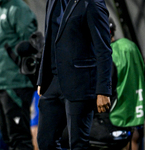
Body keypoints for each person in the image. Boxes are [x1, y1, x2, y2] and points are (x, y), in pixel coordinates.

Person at [37, 0, 112, 149]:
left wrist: (103, 90)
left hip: (80, 83)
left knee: (78, 144)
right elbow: (49, 40)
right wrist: (42, 78)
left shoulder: (92, 3)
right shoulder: (52, 1)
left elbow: (103, 50)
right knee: (45, 141)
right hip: (52, 81)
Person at [0, 0, 38, 149]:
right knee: (8, 136)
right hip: (1, 82)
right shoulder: (0, 10)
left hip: (15, 83)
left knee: (19, 137)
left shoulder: (17, 8)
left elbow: (30, 43)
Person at [109, 18, 145, 150]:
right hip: (137, 110)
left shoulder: (109, 53)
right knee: (135, 141)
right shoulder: (131, 46)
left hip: (117, 115)